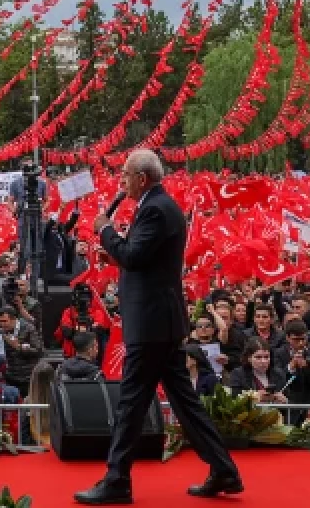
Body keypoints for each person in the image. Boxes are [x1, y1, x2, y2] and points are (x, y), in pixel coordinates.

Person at [75, 150, 239, 505]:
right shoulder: (159, 205)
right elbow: (140, 258)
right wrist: (116, 251)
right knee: (184, 401)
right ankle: (223, 469)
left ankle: (117, 479)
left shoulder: (154, 208)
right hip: (160, 321)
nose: (121, 180)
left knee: (131, 403)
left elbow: (134, 256)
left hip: (151, 323)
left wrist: (105, 231)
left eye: (126, 174)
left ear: (142, 178)